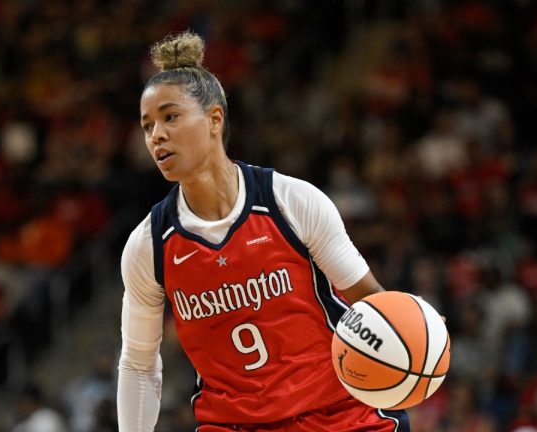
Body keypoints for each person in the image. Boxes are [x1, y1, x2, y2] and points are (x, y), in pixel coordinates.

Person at [117, 31, 410, 431]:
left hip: (338, 414)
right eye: (147, 125)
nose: (157, 136)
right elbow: (137, 364)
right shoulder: (148, 245)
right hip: (236, 425)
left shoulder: (291, 200)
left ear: (215, 119)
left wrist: (414, 330)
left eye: (170, 117)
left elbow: (370, 302)